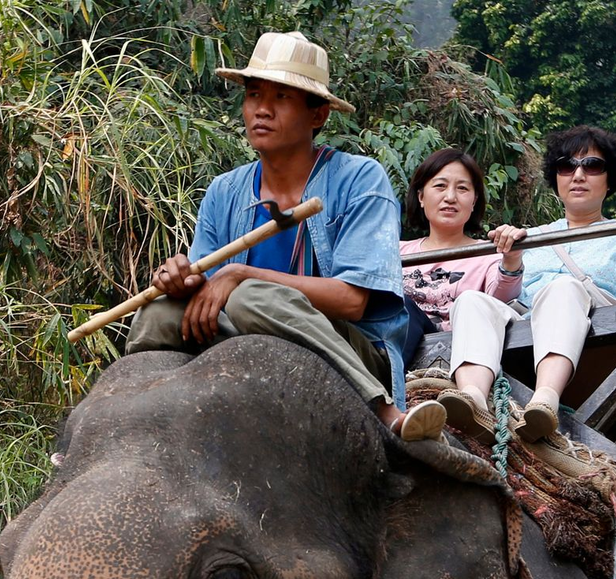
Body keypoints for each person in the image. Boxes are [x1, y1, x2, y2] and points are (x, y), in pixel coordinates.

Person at [127, 30, 445, 442]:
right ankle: (125, 422)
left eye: (282, 98)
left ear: (318, 115)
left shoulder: (359, 179)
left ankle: (384, 410)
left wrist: (242, 276)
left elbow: (352, 300)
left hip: (346, 347)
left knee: (252, 296)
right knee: (156, 313)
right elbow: (207, 289)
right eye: (254, 95)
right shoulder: (224, 191)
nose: (262, 110)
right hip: (242, 330)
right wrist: (182, 280)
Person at [441, 125, 616, 442]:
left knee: (563, 288)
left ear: (609, 179)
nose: (578, 175)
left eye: (593, 166)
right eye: (567, 166)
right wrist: (512, 260)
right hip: (528, 329)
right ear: (556, 177)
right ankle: (473, 397)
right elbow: (510, 301)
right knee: (471, 301)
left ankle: (546, 399)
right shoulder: (533, 237)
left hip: (595, 336)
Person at [397, 148, 524, 405]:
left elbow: (500, 298)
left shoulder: (488, 257)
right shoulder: (394, 251)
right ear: (421, 196)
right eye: (440, 186)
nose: (450, 197)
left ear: (474, 200)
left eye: (463, 189)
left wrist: (511, 258)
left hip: (449, 351)